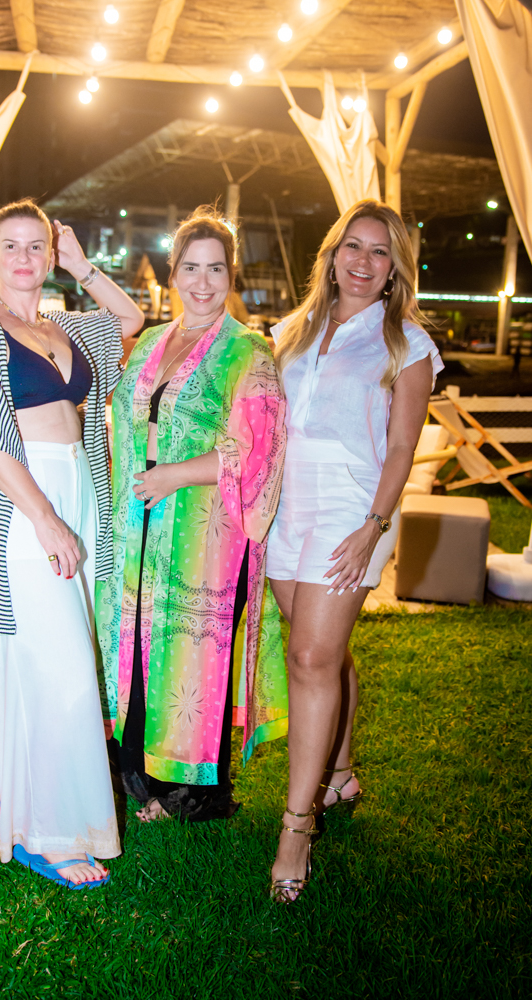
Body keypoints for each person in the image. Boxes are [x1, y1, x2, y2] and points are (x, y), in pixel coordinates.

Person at [0, 198, 144, 889]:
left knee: (42, 646)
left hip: (78, 491)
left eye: (38, 246)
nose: (25, 257)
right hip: (20, 503)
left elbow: (129, 320)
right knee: (61, 659)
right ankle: (48, 832)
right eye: (12, 246)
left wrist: (84, 267)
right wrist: (44, 518)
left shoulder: (66, 323)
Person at [267, 199, 443, 903]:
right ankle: (339, 773)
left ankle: (296, 827)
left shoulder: (407, 343)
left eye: (380, 252)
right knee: (323, 650)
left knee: (310, 657)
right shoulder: (289, 331)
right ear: (332, 254)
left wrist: (374, 525)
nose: (364, 262)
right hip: (287, 503)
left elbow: (401, 447)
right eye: (353, 247)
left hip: (352, 505)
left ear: (395, 268)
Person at [97, 206, 288, 823]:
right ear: (172, 271)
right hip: (141, 523)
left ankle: (189, 791)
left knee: (193, 655)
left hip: (205, 529)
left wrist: (173, 475)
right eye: (190, 268)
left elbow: (255, 447)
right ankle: (140, 775)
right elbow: (119, 414)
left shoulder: (248, 352)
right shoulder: (152, 341)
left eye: (216, 269)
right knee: (139, 646)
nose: (202, 283)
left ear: (231, 275)